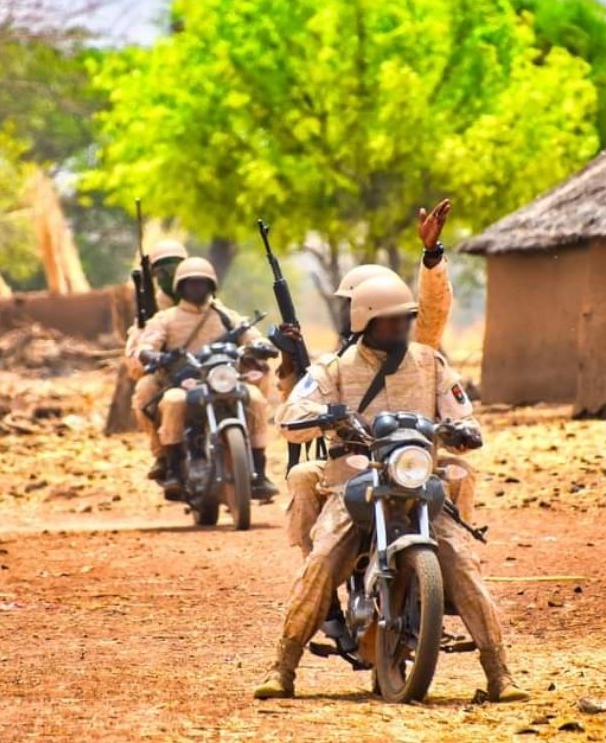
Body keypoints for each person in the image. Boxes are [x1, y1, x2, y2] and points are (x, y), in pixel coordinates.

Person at [253, 274, 525, 702]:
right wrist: (326, 416)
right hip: (354, 486)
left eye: (404, 321)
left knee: (462, 561)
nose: (399, 329)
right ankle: (283, 667)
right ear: (364, 322)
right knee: (321, 560)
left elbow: (462, 413)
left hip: (419, 483)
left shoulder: (429, 362)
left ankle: (500, 673)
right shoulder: (335, 368)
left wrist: (462, 431)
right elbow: (292, 415)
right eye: (389, 322)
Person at [277, 200, 470, 556]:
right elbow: (295, 407)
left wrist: (431, 255)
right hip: (351, 466)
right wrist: (289, 356)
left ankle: (452, 548)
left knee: (460, 471)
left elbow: (433, 313)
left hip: (412, 461)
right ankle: (324, 592)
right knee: (303, 477)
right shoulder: (335, 363)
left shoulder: (418, 356)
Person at [133, 257, 279, 501]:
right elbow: (146, 345)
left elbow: (251, 336)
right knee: (173, 402)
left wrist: (261, 345)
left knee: (254, 398)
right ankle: (174, 470)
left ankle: (259, 470)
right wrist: (155, 356)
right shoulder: (166, 318)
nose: (197, 288)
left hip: (225, 379)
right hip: (184, 383)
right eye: (191, 284)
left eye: (203, 283)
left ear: (211, 286)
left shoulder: (226, 315)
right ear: (180, 287)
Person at [123, 239, 189, 482]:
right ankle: (164, 456)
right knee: (144, 393)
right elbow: (135, 352)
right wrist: (147, 356)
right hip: (167, 373)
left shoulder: (203, 296)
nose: (170, 275)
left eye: (175, 267)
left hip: (206, 370)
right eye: (162, 270)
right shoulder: (154, 310)